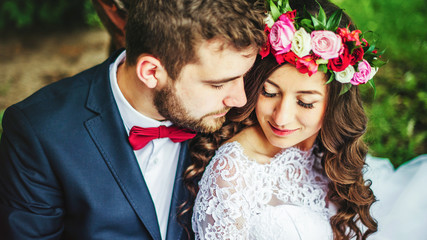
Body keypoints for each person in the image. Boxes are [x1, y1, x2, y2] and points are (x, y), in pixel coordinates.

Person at [0, 0, 266, 239]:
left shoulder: (244, 116)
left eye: (243, 76)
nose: (240, 99)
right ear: (151, 71)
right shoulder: (40, 132)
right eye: (219, 85)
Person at [189, 0, 386, 239]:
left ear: (335, 105)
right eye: (269, 93)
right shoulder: (232, 174)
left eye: (305, 102)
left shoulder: (327, 149)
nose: (281, 118)